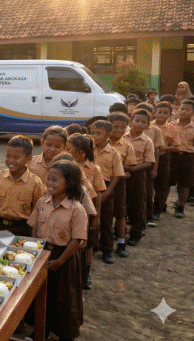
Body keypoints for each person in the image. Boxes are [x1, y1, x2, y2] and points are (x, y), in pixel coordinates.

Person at [27, 160, 88, 341]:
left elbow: (77, 239)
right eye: (49, 179)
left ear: (69, 183)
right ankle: (40, 329)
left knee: (64, 299)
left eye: (55, 180)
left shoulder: (77, 209)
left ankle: (65, 333)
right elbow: (34, 226)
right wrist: (34, 250)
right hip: (42, 253)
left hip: (64, 258)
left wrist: (60, 260)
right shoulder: (42, 202)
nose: (50, 183)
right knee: (41, 295)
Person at [64, 133, 104, 289]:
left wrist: (96, 217)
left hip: (84, 215)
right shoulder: (63, 165)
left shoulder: (81, 172)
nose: (65, 151)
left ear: (81, 153)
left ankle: (85, 275)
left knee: (85, 246)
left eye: (68, 149)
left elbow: (94, 195)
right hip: (66, 217)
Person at [0, 135, 44, 235]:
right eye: (7, 156)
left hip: (21, 229)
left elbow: (37, 210)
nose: (10, 160)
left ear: (29, 159)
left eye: (16, 157)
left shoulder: (35, 182)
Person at [90, 120, 125, 264]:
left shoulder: (113, 153)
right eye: (92, 133)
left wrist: (107, 193)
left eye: (99, 133)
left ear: (108, 135)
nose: (94, 136)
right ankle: (92, 246)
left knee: (106, 220)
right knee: (90, 218)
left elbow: (117, 175)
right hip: (89, 187)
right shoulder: (88, 149)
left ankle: (107, 249)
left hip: (105, 187)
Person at [122, 109, 155, 245]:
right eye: (137, 121)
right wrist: (123, 170)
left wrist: (132, 169)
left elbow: (149, 162)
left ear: (148, 126)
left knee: (137, 204)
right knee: (122, 203)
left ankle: (136, 233)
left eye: (143, 122)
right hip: (120, 172)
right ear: (130, 122)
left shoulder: (147, 141)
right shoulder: (122, 137)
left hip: (137, 174)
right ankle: (119, 231)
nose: (139, 124)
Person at [107, 112, 137, 257]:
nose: (119, 130)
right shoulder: (100, 142)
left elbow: (130, 166)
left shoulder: (127, 145)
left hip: (119, 182)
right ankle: (103, 243)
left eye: (123, 128)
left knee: (120, 213)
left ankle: (121, 242)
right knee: (102, 214)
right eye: (115, 127)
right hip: (101, 182)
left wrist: (119, 169)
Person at [152, 102, 179, 219]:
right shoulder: (148, 126)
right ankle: (146, 209)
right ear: (154, 113)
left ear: (170, 114)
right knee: (147, 185)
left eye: (165, 113)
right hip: (148, 158)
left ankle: (157, 210)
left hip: (164, 158)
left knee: (162, 185)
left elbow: (177, 146)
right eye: (159, 112)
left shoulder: (172, 128)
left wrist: (164, 148)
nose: (162, 115)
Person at [169, 99, 194, 218]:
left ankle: (181, 207)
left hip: (188, 157)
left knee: (185, 183)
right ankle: (160, 205)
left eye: (187, 110)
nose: (183, 111)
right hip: (171, 156)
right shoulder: (171, 125)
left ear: (192, 112)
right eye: (182, 109)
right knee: (166, 182)